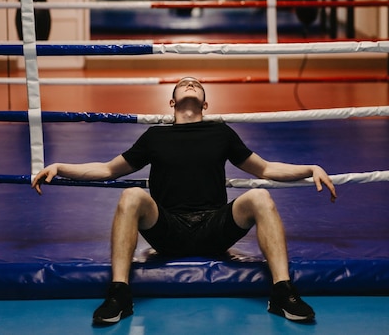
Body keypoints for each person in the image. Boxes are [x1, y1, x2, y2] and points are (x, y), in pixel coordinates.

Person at [32, 76, 337, 325]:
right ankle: (119, 294)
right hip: (169, 230)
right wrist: (60, 167)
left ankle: (283, 292)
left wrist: (310, 169)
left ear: (205, 103)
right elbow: (108, 169)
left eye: (196, 83)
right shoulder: (154, 136)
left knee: (259, 196)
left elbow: (266, 168)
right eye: (183, 83)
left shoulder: (221, 133)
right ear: (172, 101)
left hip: (214, 227)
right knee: (131, 195)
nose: (190, 83)